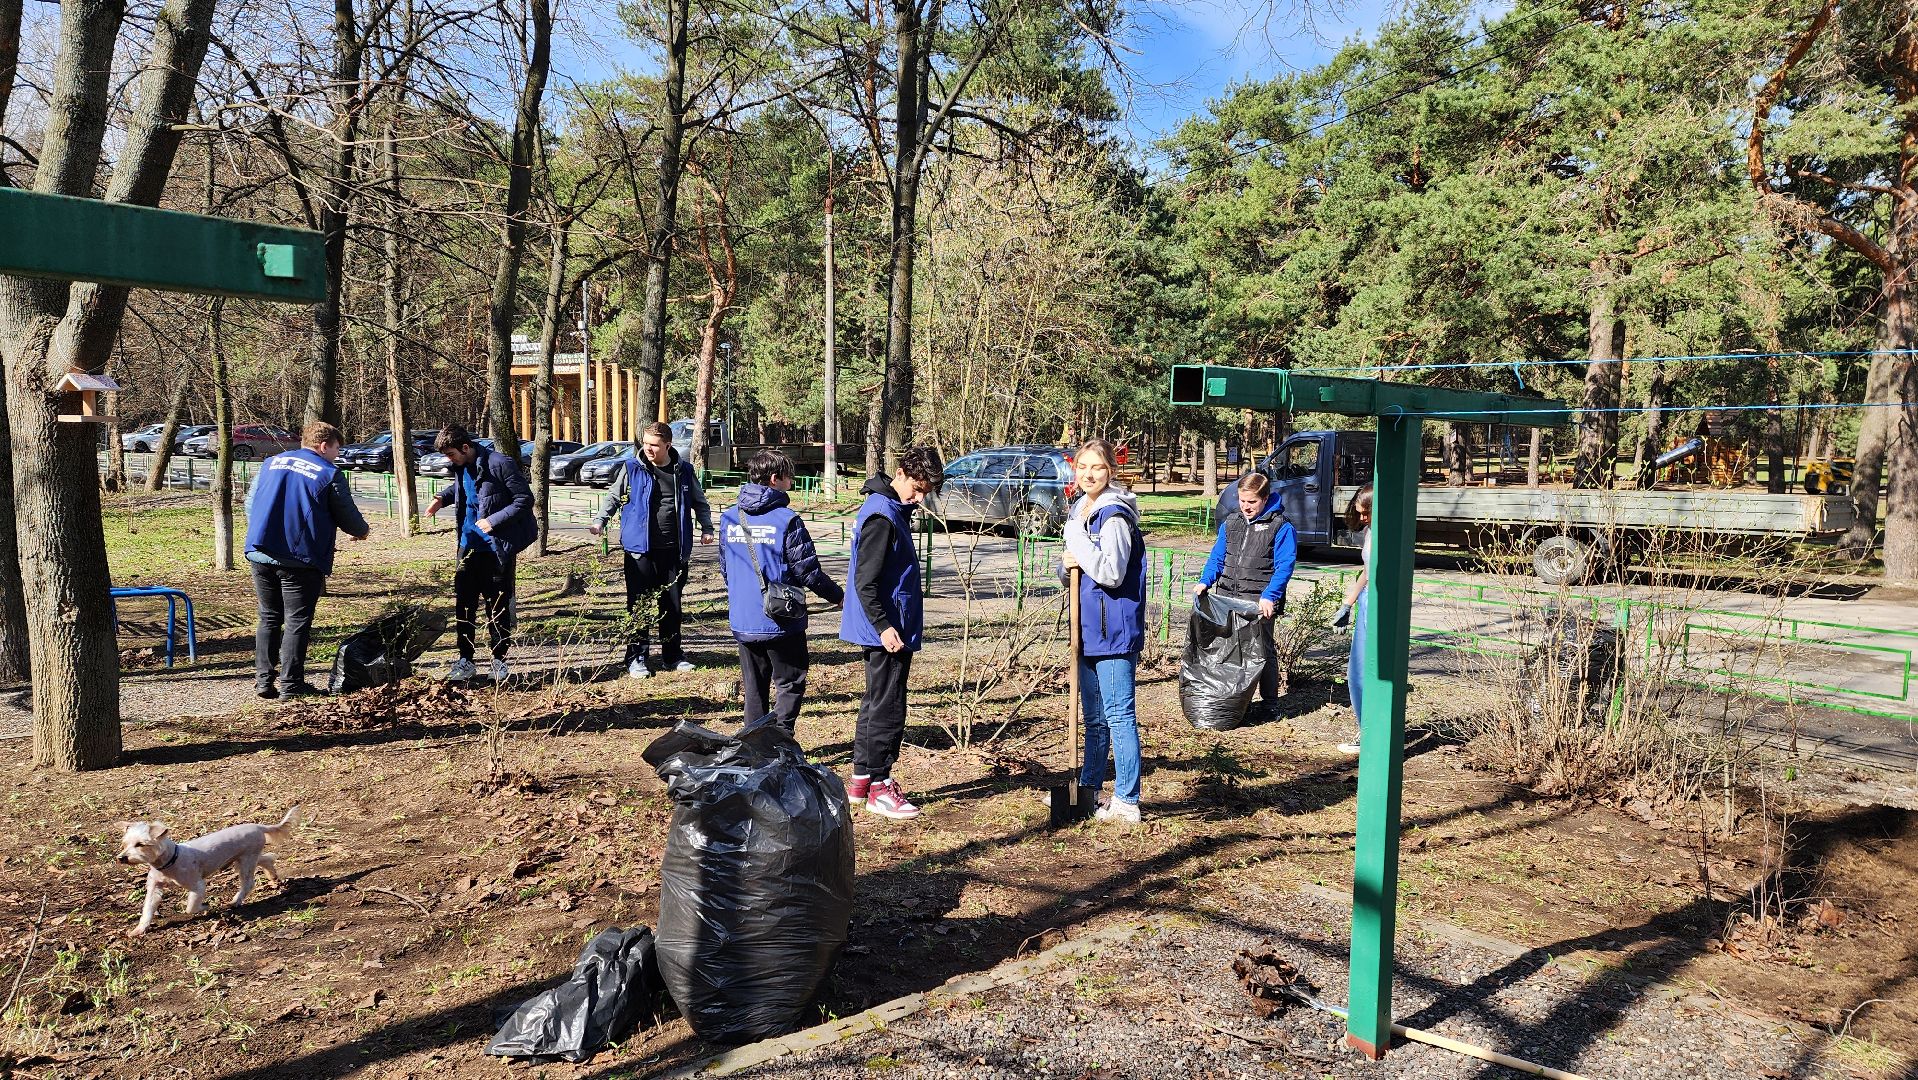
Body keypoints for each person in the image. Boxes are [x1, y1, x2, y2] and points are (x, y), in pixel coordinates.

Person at [839, 446, 946, 820]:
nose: (919, 498)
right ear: (900, 473)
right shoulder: (882, 516)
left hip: (889, 626)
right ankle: (880, 786)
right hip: (887, 630)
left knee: (876, 701)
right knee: (888, 707)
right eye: (917, 488)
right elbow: (864, 581)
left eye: (925, 492)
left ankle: (861, 779)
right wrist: (884, 626)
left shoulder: (888, 508)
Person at [718, 449, 845, 733]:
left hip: (744, 618)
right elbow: (808, 572)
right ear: (775, 479)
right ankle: (781, 737)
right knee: (790, 681)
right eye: (790, 478)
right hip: (780, 618)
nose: (793, 484)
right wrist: (839, 596)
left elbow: (725, 568)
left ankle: (754, 744)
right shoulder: (787, 520)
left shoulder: (729, 518)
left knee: (754, 688)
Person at [244, 422, 371, 698]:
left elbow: (251, 504)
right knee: (297, 620)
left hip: (260, 551)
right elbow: (347, 515)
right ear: (324, 446)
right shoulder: (328, 473)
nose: (338, 454)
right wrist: (362, 532)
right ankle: (291, 684)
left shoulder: (270, 463)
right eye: (337, 448)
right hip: (299, 558)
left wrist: (262, 533)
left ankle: (264, 681)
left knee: (268, 616)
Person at [1059, 437, 1148, 824]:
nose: (1088, 474)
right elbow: (1074, 571)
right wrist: (1067, 565)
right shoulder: (1082, 509)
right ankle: (1089, 790)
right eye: (1082, 467)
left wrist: (1076, 541)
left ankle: (1127, 800)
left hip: (1114, 630)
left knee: (1118, 715)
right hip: (1089, 629)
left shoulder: (1112, 515)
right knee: (1094, 719)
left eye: (1096, 467)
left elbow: (1111, 573)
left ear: (1110, 470)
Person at [590, 421, 715, 679]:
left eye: (654, 445)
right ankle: (636, 658)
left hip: (674, 551)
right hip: (640, 551)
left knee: (672, 606)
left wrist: (707, 528)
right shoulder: (632, 468)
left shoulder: (684, 470)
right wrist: (600, 520)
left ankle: (672, 656)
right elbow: (614, 497)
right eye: (645, 443)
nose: (648, 448)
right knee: (639, 606)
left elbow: (699, 502)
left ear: (668, 445)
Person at [424, 425, 535, 683]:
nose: (448, 460)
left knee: (496, 607)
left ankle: (499, 661)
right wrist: (442, 497)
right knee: (464, 605)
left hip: (496, 548)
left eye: (451, 454)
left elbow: (524, 499)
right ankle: (466, 661)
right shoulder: (461, 466)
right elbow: (466, 490)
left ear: (466, 447)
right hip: (468, 546)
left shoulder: (500, 464)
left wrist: (494, 521)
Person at [1193, 472, 1298, 717]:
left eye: (1251, 502)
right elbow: (1218, 556)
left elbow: (1285, 565)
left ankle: (1270, 704)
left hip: (1259, 600)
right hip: (1228, 595)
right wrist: (1205, 581)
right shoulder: (1232, 522)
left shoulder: (1281, 527)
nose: (1246, 507)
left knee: (1262, 650)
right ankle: (1237, 701)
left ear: (1265, 498)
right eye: (1242, 501)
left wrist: (1270, 595)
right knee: (1231, 649)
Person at [1331, 484, 1373, 756]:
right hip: (1367, 600)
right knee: (1355, 674)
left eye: (1367, 512)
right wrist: (1348, 602)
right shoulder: (1371, 532)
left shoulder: (1388, 534)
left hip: (1380, 605)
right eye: (1360, 513)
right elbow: (1368, 571)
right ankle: (1366, 728)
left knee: (1367, 674)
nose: (1363, 519)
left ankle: (1371, 733)